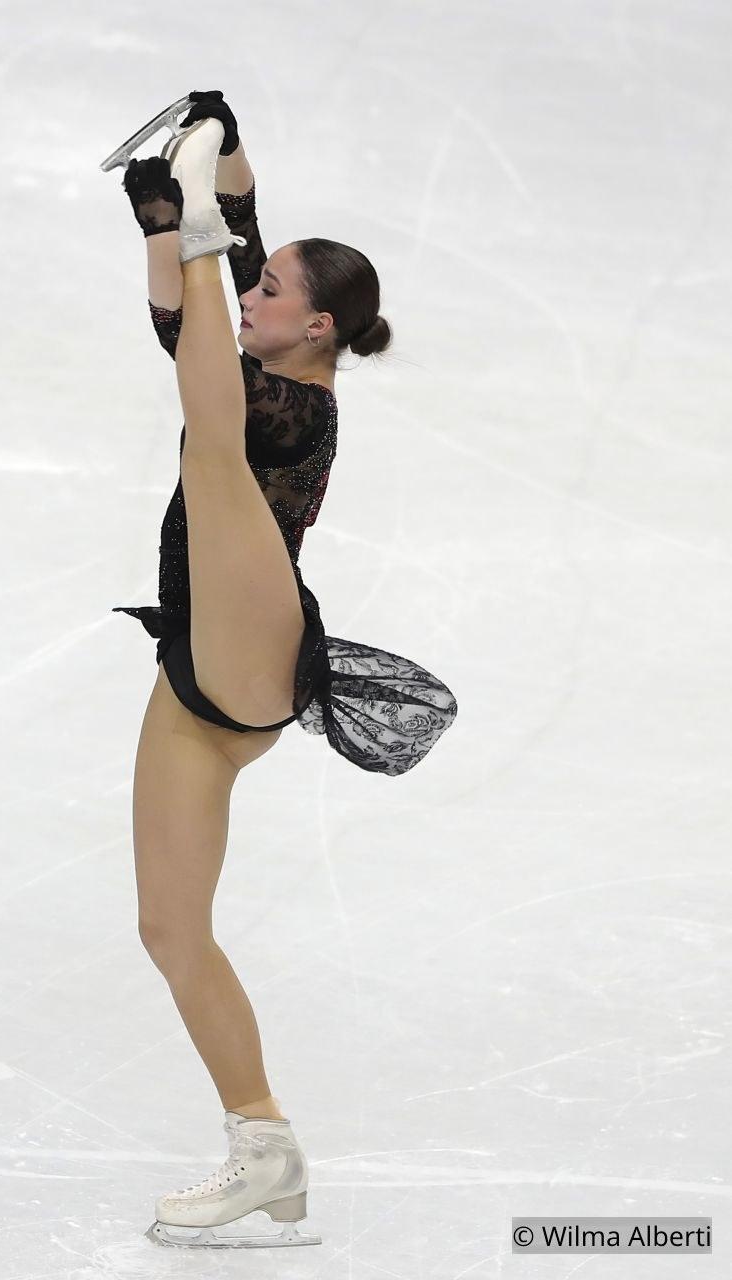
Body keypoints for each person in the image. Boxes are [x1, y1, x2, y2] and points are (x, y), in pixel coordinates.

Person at [106, 90, 459, 1248]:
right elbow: (195, 319)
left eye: (268, 292)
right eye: (249, 285)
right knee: (168, 928)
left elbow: (200, 345)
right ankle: (264, 1147)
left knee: (210, 443)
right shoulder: (259, 355)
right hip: (194, 664)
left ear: (315, 329)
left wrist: (181, 228)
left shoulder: (291, 406)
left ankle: (193, 219)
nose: (252, 297)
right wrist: (189, 192)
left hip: (252, 648)